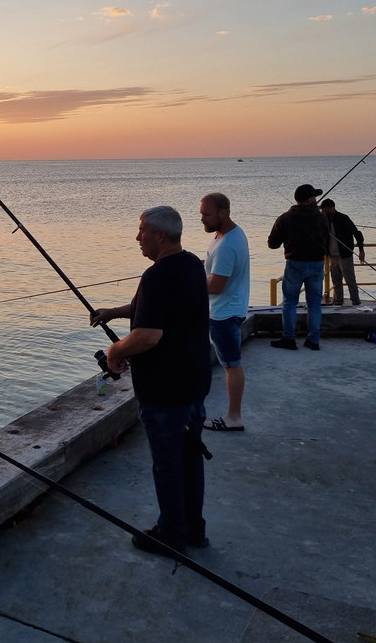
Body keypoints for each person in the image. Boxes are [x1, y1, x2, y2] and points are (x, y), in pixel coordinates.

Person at [90, 206, 211, 555]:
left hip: (165, 391)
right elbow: (154, 308)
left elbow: (148, 334)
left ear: (159, 234)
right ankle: (193, 529)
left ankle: (171, 533)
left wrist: (115, 351)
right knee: (190, 457)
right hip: (194, 384)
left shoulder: (157, 275)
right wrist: (114, 313)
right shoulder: (190, 265)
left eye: (141, 230)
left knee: (168, 463)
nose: (137, 236)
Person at [198, 193, 250, 432]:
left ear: (223, 213)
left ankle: (234, 417)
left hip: (224, 313)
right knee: (230, 362)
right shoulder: (228, 234)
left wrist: (190, 281)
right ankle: (233, 415)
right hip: (231, 308)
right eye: (201, 214)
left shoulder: (227, 245)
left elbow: (217, 286)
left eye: (206, 215)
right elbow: (215, 270)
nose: (202, 219)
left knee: (231, 364)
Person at [267, 184, 329, 350]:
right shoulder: (322, 217)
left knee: (289, 303)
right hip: (317, 263)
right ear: (309, 199)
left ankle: (289, 339)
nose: (316, 200)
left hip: (295, 263)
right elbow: (326, 238)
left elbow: (272, 244)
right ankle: (313, 340)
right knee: (315, 303)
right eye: (314, 197)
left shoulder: (285, 218)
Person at [320, 198, 365, 306]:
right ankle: (338, 300)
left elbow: (357, 234)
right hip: (331, 255)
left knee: (350, 279)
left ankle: (355, 300)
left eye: (325, 210)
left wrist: (361, 250)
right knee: (336, 280)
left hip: (345, 255)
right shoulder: (323, 220)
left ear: (331, 208)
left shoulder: (343, 218)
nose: (323, 212)